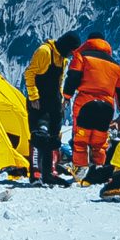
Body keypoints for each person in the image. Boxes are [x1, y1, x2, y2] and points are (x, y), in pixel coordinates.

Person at [22, 31, 81, 183]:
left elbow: (59, 81)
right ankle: (35, 173)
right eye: (71, 51)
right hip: (39, 101)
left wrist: (61, 101)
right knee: (39, 136)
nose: (71, 54)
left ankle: (48, 174)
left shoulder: (62, 58)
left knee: (53, 138)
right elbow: (29, 73)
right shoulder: (45, 52)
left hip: (53, 101)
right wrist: (34, 96)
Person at [65, 36, 120, 177]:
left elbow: (73, 77)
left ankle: (80, 168)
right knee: (99, 141)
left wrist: (66, 96)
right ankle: (99, 168)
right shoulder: (116, 66)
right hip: (107, 107)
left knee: (81, 140)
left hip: (85, 103)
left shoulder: (82, 57)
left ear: (89, 42)